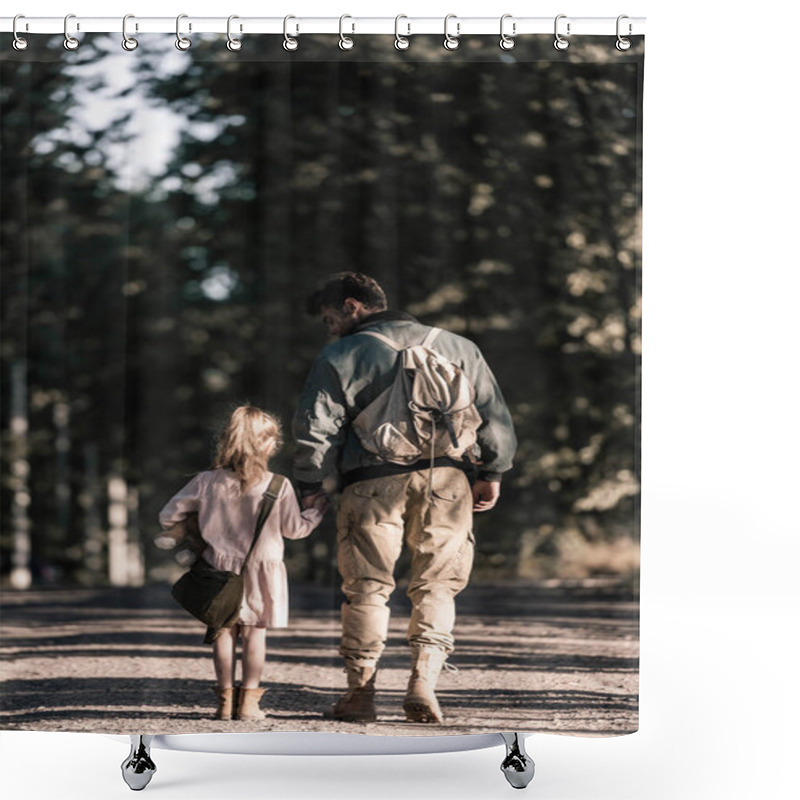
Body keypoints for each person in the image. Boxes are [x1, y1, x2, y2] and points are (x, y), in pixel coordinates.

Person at [293, 272, 517, 724]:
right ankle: (423, 682)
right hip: (448, 481)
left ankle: (360, 694)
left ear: (353, 306)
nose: (329, 327)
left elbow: (315, 430)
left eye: (329, 316)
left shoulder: (340, 354)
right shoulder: (459, 347)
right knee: (437, 584)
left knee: (367, 590)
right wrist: (492, 471)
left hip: (371, 483)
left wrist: (311, 485)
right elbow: (493, 415)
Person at [158, 406, 329, 722]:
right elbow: (295, 530)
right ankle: (249, 705)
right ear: (267, 445)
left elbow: (168, 516)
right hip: (262, 571)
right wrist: (315, 512)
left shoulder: (206, 481)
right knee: (254, 635)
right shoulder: (278, 485)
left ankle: (224, 703)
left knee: (222, 633)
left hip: (217, 571)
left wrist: (197, 527)